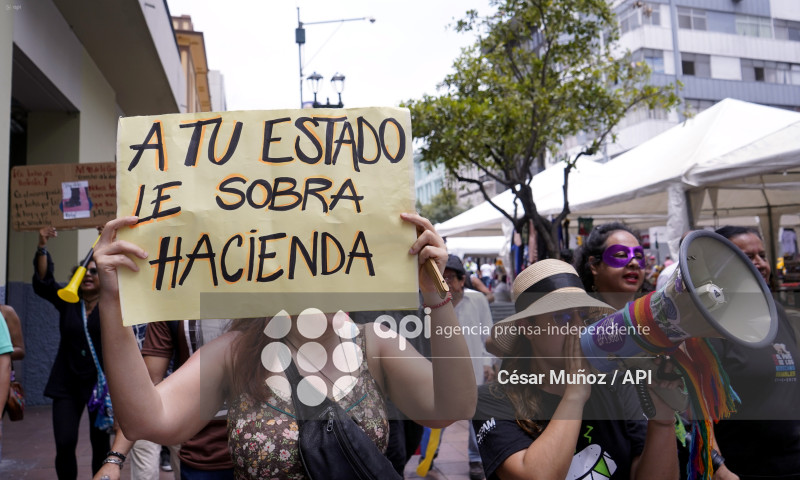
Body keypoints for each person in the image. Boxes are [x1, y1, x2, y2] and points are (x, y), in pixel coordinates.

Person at [93, 214, 477, 479]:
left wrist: (436, 295)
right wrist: (113, 301)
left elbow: (454, 406)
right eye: (304, 258)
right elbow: (147, 420)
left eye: (331, 257)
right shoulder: (236, 352)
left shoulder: (375, 342)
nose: (319, 272)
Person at [474, 260, 679, 480]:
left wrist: (662, 421)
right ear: (528, 328)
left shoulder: (617, 385)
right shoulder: (493, 399)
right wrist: (575, 394)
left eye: (584, 316)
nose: (579, 327)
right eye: (562, 317)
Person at [709, 226, 800, 479]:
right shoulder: (710, 323)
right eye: (747, 257)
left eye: (762, 255)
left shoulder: (776, 311)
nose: (759, 263)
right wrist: (719, 469)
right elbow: (695, 409)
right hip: (744, 468)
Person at [33, 225, 110, 478]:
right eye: (83, 270)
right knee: (65, 443)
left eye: (94, 271)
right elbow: (44, 284)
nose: (88, 274)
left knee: (101, 446)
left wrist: (108, 240)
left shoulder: (112, 304)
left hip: (99, 386)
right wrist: (42, 246)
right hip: (66, 383)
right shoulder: (69, 301)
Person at [443, 255, 495, 480]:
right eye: (440, 278)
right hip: (443, 371)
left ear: (462, 280)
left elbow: (488, 333)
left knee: (476, 414)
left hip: (474, 368)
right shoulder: (432, 303)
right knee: (439, 413)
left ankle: (475, 459)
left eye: (449, 278)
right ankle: (429, 455)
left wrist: (487, 363)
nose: (445, 283)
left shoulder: (477, 300)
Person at [573, 222, 645, 310]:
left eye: (638, 256)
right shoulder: (576, 315)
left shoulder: (654, 313)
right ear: (594, 265)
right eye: (621, 255)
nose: (635, 263)